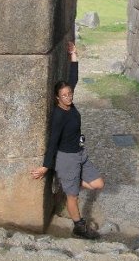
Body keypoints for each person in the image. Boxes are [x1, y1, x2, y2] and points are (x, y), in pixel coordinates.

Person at [31, 41, 104, 239]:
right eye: (64, 95)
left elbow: (74, 77)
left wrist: (74, 54)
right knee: (73, 197)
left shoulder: (70, 104)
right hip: (67, 158)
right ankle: (79, 227)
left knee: (98, 184)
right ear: (57, 98)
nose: (68, 97)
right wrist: (46, 167)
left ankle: (68, 180)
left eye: (70, 93)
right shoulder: (59, 116)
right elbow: (53, 141)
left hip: (80, 154)